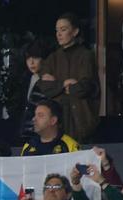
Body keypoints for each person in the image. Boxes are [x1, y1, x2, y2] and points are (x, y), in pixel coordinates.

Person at [36, 13, 98, 142]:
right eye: (57, 30)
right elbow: (44, 87)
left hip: (80, 118)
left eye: (63, 30)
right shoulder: (52, 58)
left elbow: (84, 87)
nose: (59, 34)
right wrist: (64, 84)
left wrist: (57, 85)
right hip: (57, 120)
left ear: (75, 31)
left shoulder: (85, 55)